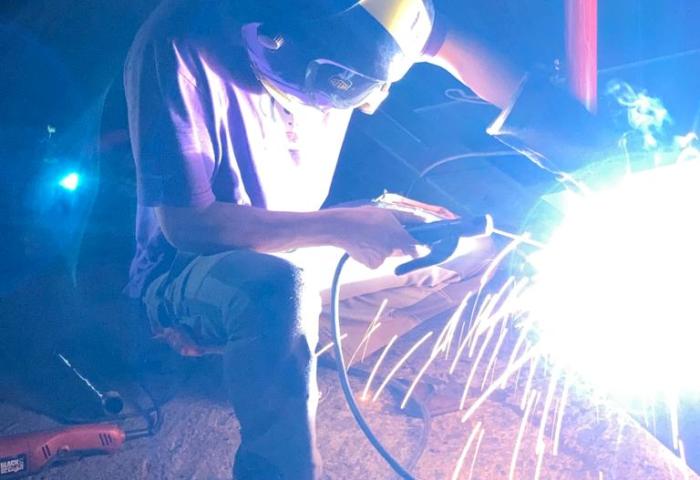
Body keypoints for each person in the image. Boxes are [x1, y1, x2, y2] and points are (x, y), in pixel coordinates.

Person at [123, 0, 591, 478]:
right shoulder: (180, 41)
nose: (373, 104)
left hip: (299, 243)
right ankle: (269, 412)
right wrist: (342, 227)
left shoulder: (383, 9)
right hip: (196, 267)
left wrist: (579, 144)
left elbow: (462, 54)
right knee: (276, 291)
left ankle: (265, 360)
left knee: (467, 248)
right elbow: (188, 226)